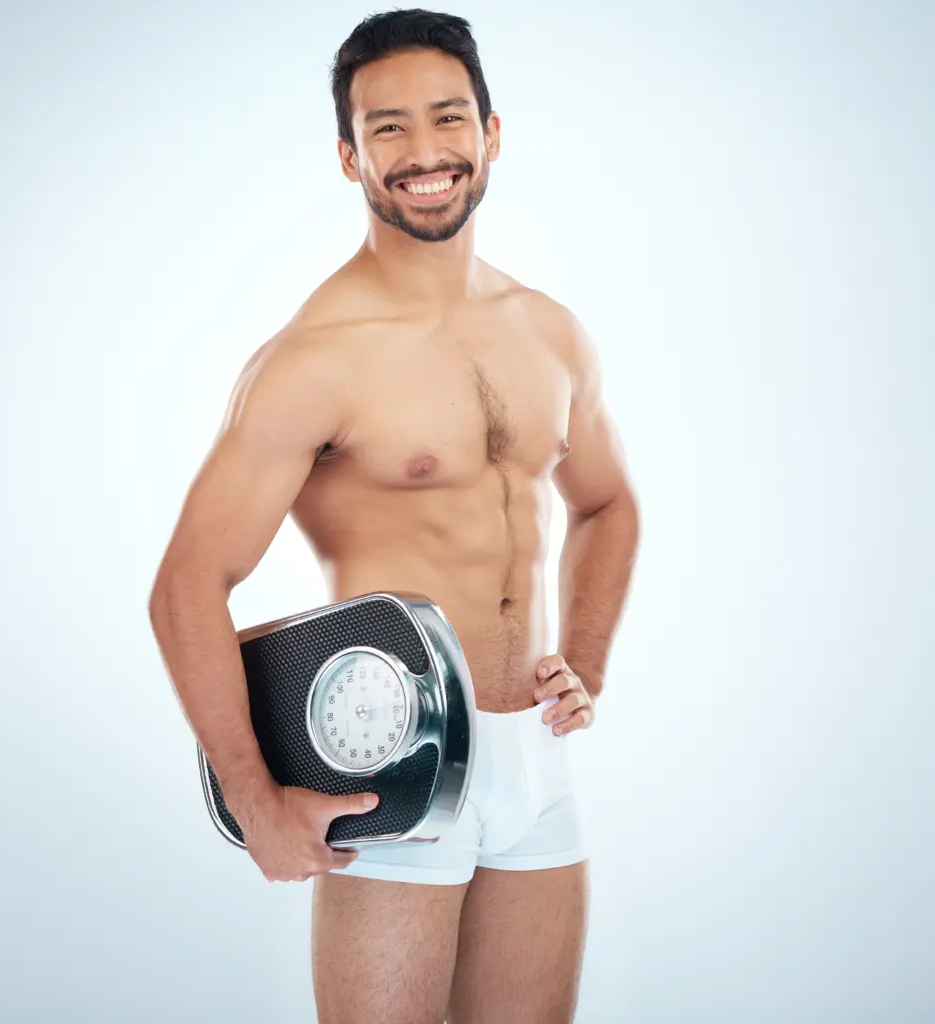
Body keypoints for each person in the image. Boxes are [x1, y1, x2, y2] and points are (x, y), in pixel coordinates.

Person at [148, 9, 641, 1023]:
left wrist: (584, 663)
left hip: (537, 763)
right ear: (349, 156)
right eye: (388, 127)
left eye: (448, 118)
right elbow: (186, 584)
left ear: (490, 133)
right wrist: (254, 799)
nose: (425, 152)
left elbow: (606, 502)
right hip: (388, 768)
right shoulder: (314, 359)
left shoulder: (549, 332)